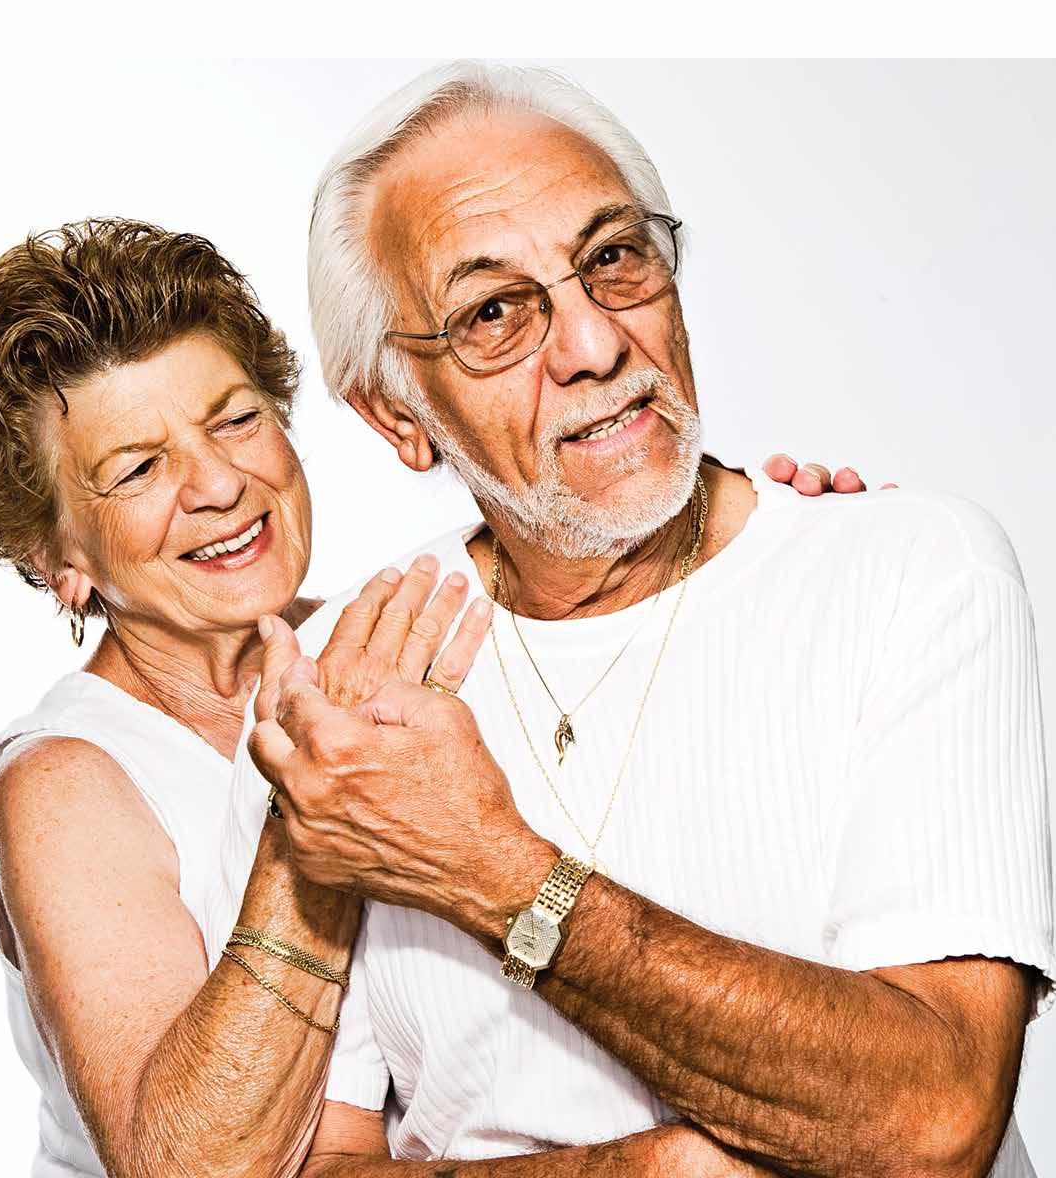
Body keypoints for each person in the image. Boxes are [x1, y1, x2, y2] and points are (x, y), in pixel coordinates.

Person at [239, 62, 1055, 1176]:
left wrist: (491, 869)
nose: (594, 345)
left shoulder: (913, 571)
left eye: (614, 258)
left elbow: (933, 1123)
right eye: (494, 313)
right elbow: (307, 1165)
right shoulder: (343, 680)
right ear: (398, 416)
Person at [0, 218, 846, 1177]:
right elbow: (186, 1168)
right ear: (57, 558)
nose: (220, 484)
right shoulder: (63, 784)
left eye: (235, 419)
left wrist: (768, 548)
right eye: (139, 469)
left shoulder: (393, 634)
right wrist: (317, 820)